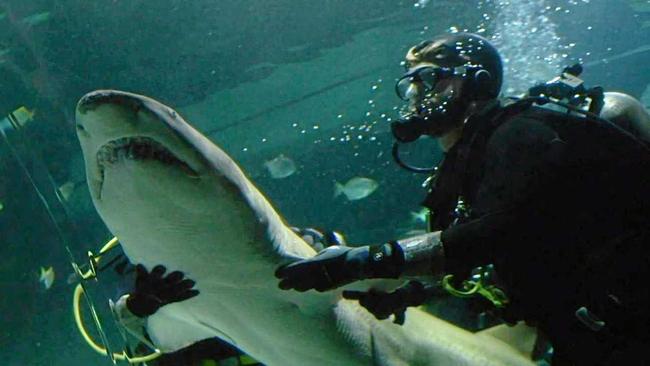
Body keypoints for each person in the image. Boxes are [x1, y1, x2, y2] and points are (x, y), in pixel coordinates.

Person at [275, 32, 650, 365]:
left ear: (478, 84)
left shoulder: (520, 134)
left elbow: (498, 235)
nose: (418, 97)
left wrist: (364, 261)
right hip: (591, 332)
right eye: (413, 87)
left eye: (432, 82)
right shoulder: (469, 164)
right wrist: (416, 292)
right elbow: (503, 265)